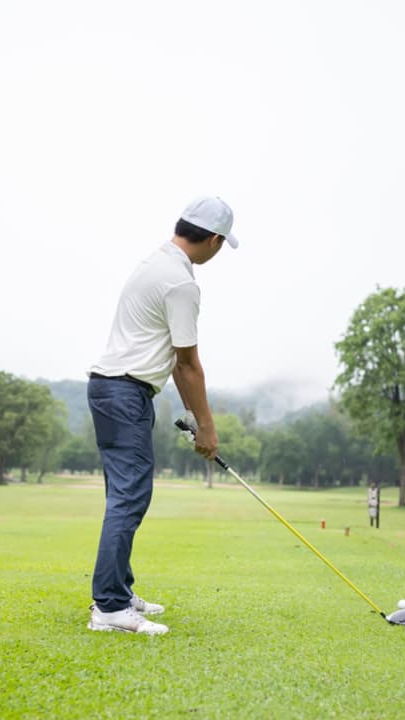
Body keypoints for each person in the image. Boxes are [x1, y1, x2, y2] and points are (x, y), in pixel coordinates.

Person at [84, 196, 238, 635]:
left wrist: (192, 413)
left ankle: (118, 590)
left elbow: (171, 358)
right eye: (222, 244)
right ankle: (110, 608)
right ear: (212, 239)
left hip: (110, 387)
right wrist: (207, 428)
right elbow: (188, 364)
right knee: (130, 497)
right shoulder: (181, 284)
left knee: (124, 494)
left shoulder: (154, 262)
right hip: (125, 391)